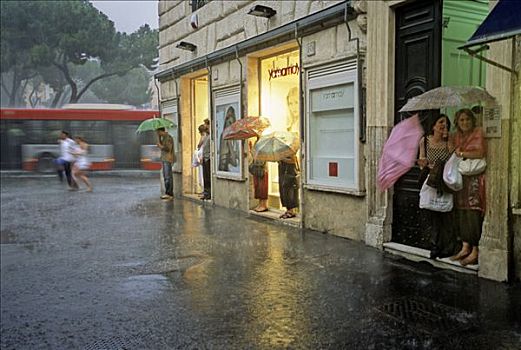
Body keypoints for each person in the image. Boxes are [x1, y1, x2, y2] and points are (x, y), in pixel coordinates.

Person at [417, 114, 460, 259]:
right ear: (433, 126)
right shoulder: (425, 141)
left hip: (445, 180)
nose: (443, 125)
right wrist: (422, 163)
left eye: (446, 123)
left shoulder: (449, 141)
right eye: (440, 122)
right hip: (430, 179)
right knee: (433, 213)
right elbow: (422, 160)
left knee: (446, 213)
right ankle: (434, 246)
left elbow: (454, 160)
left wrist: (449, 140)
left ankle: (447, 247)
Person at [450, 108, 487, 266]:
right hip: (462, 179)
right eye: (461, 120)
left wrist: (462, 153)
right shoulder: (456, 136)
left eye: (467, 119)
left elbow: (480, 153)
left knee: (473, 213)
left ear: (473, 120)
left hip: (474, 180)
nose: (465, 122)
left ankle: (476, 250)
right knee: (462, 213)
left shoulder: (479, 133)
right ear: (457, 122)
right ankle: (465, 247)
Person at [278, 87, 300, 219]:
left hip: (293, 160)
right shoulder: (290, 123)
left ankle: (292, 209)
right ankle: (289, 208)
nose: (293, 107)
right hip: (287, 159)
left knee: (290, 186)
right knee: (285, 185)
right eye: (291, 103)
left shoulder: (300, 123)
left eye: (296, 102)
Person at [250, 137, 268, 212]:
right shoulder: (256, 143)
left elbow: (262, 157)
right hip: (257, 169)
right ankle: (260, 204)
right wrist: (251, 149)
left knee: (262, 188)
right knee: (258, 187)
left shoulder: (264, 143)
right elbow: (254, 156)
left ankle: (264, 204)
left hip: (262, 169)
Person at [156, 127, 175, 201]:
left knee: (168, 176)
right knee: (165, 175)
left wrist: (161, 146)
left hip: (167, 158)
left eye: (158, 132)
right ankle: (167, 193)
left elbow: (168, 148)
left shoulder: (168, 137)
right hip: (164, 158)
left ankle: (169, 193)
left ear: (161, 131)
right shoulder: (163, 138)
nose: (157, 134)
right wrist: (158, 138)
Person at [218, 106, 239, 171]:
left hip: (223, 160)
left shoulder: (223, 133)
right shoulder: (227, 134)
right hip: (225, 161)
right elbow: (230, 147)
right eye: (229, 123)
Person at [200, 122, 211, 200]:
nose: (205, 126)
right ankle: (206, 193)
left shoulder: (211, 136)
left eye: (206, 125)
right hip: (205, 158)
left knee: (208, 177)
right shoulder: (206, 136)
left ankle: (209, 193)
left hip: (209, 158)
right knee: (205, 177)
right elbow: (201, 146)